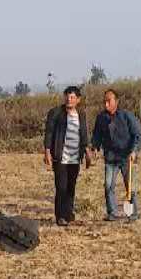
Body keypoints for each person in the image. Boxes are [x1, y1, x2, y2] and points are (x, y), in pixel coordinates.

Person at [42, 86, 92, 225]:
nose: (69, 100)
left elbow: (83, 134)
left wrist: (87, 152)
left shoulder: (81, 114)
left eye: (72, 97)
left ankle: (69, 213)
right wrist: (47, 152)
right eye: (67, 97)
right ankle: (60, 216)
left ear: (78, 99)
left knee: (71, 186)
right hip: (60, 156)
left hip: (75, 157)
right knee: (61, 186)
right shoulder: (56, 113)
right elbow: (49, 133)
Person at [91, 88, 141, 221]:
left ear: (117, 101)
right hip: (110, 158)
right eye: (104, 101)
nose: (106, 104)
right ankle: (112, 212)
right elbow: (97, 135)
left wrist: (134, 151)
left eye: (109, 101)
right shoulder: (101, 118)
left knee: (130, 187)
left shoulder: (127, 116)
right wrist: (95, 148)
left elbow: (138, 135)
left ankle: (133, 214)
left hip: (126, 157)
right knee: (108, 185)